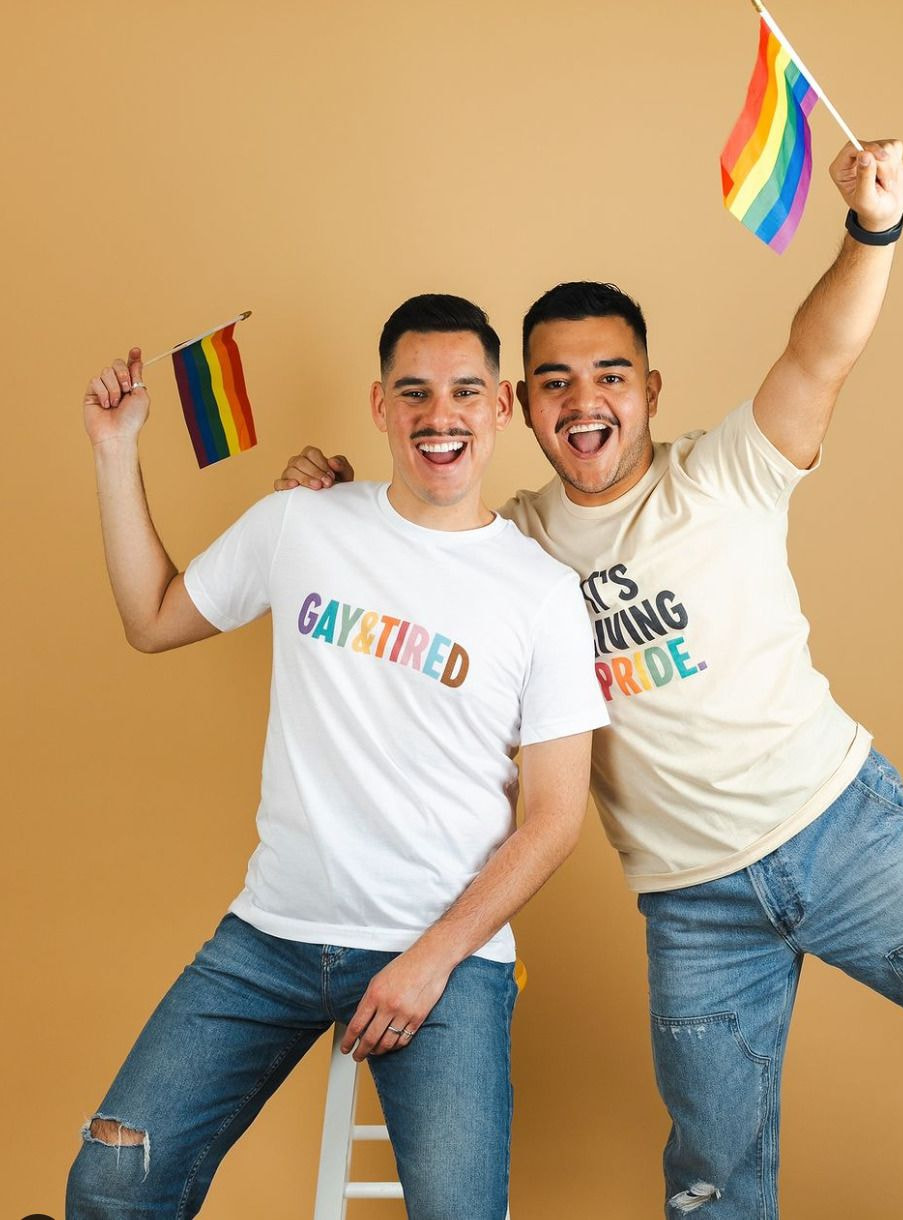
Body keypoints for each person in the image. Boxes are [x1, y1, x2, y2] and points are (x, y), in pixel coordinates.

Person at [276, 143, 903, 1217]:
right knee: (714, 1185)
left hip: (845, 832)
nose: (586, 400)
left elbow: (817, 355)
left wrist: (873, 231)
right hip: (691, 905)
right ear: (521, 406)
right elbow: (403, 550)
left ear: (649, 388)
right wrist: (338, 500)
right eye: (556, 381)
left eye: (611, 374)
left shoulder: (728, 473)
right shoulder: (506, 543)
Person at [68, 294, 608, 1220]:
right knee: (110, 1186)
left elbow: (556, 817)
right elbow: (151, 618)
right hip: (270, 939)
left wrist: (431, 960)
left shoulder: (544, 595)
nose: (440, 417)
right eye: (415, 394)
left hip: (445, 959)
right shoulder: (301, 522)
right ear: (379, 406)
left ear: (502, 407)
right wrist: (116, 451)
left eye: (465, 393)